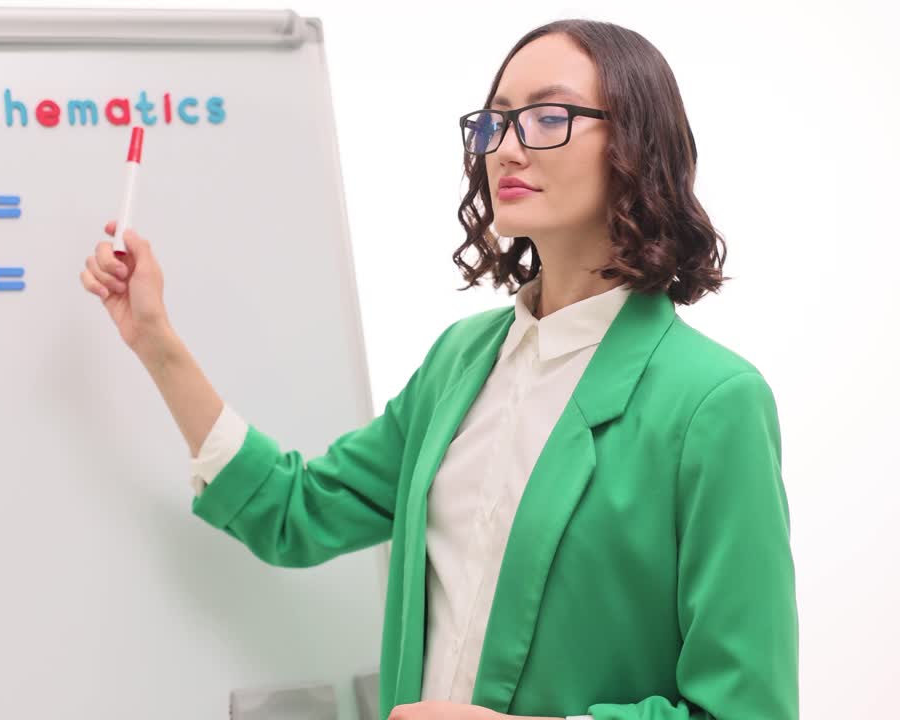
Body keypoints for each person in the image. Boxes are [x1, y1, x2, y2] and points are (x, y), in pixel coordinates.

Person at [78, 18, 796, 720]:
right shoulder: (461, 361)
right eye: (496, 122)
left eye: (547, 118)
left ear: (637, 147)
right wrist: (155, 340)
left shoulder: (713, 402)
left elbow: (747, 709)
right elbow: (294, 512)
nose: (507, 150)